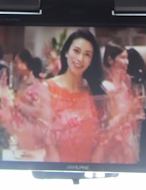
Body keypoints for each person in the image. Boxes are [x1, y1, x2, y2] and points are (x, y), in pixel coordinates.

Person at [44, 29, 106, 163]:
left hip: (90, 167)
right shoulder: (47, 89)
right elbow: (44, 140)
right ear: (66, 52)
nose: (80, 59)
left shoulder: (94, 90)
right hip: (56, 168)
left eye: (87, 55)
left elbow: (102, 137)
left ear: (91, 60)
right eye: (76, 51)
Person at [0, 49, 51, 153]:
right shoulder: (20, 81)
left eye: (17, 62)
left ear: (25, 63)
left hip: (30, 130)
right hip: (17, 127)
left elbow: (40, 112)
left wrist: (20, 105)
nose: (16, 66)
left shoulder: (38, 86)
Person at [101, 42, 145, 164]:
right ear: (110, 60)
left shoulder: (125, 83)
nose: (127, 62)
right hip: (115, 141)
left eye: (127, 58)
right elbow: (109, 123)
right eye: (122, 58)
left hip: (129, 137)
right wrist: (131, 109)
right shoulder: (106, 87)